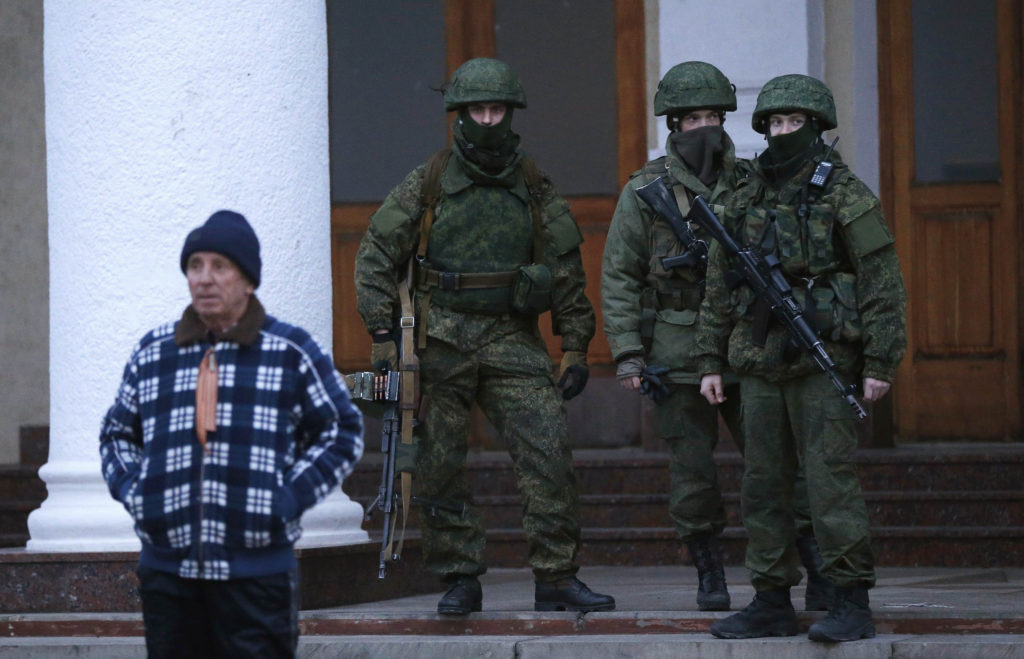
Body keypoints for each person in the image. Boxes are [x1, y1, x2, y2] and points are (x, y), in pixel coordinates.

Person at [353, 57, 614, 616]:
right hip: (440, 340)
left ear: (511, 114)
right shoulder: (428, 181)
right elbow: (375, 255)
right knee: (438, 462)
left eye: (498, 110)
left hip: (512, 339)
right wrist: (382, 338)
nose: (489, 120)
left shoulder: (534, 185)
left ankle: (557, 574)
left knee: (548, 450)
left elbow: (567, 269)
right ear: (460, 114)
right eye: (479, 109)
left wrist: (573, 345)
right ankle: (459, 576)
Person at [601, 61, 831, 613]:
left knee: (776, 461)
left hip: (749, 343)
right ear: (673, 125)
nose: (702, 128)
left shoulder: (752, 180)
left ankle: (811, 564)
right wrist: (629, 354)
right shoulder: (646, 190)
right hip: (676, 349)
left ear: (725, 120)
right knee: (692, 471)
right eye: (691, 119)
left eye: (711, 117)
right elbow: (620, 275)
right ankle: (709, 569)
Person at [696, 74, 907, 642]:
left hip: (824, 364)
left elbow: (881, 283)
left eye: (795, 123)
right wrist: (710, 360)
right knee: (762, 486)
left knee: (829, 484)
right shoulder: (743, 194)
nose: (783, 133)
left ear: (817, 127)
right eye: (775, 124)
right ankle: (770, 599)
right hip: (759, 363)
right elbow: (719, 282)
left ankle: (850, 599)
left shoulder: (845, 192)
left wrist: (880, 362)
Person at [99, 210, 364, 657]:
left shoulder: (290, 351)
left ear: (248, 280)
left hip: (257, 576)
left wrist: (285, 498)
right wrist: (138, 492)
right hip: (170, 575)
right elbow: (116, 435)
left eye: (220, 266)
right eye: (195, 265)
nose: (204, 279)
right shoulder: (154, 353)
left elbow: (342, 432)